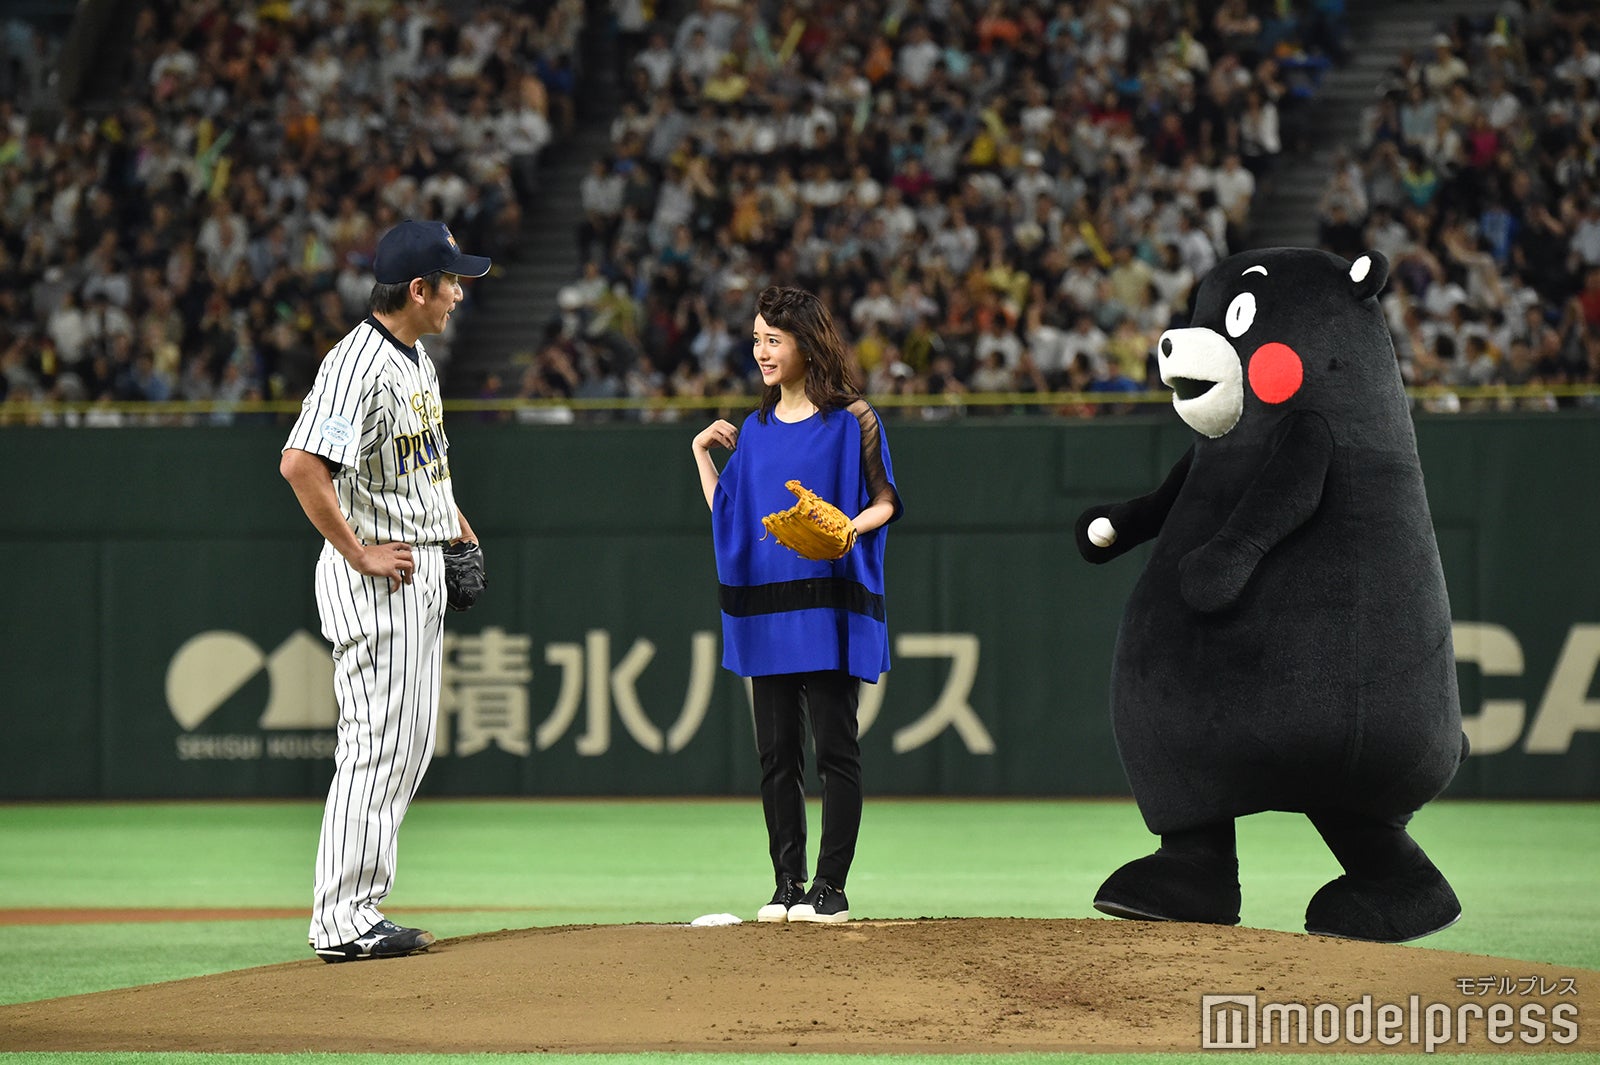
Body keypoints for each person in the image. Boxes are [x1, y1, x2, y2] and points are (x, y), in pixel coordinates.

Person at [279, 219, 490, 963]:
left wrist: (457, 530)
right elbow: (302, 464)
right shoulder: (357, 364)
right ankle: (342, 916)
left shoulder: (416, 361)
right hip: (380, 577)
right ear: (417, 289)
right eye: (452, 282)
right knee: (378, 743)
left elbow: (422, 468)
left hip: (415, 562)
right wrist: (359, 551)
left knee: (401, 745)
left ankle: (355, 906)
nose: (460, 293)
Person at [690, 286, 903, 924]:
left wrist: (848, 529)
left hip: (829, 607)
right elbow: (730, 516)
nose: (762, 351)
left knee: (837, 751)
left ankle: (829, 889)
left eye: (773, 340)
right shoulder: (752, 432)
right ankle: (787, 885)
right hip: (769, 613)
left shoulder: (855, 419)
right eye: (757, 339)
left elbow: (886, 500)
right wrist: (702, 453)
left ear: (807, 344)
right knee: (776, 756)